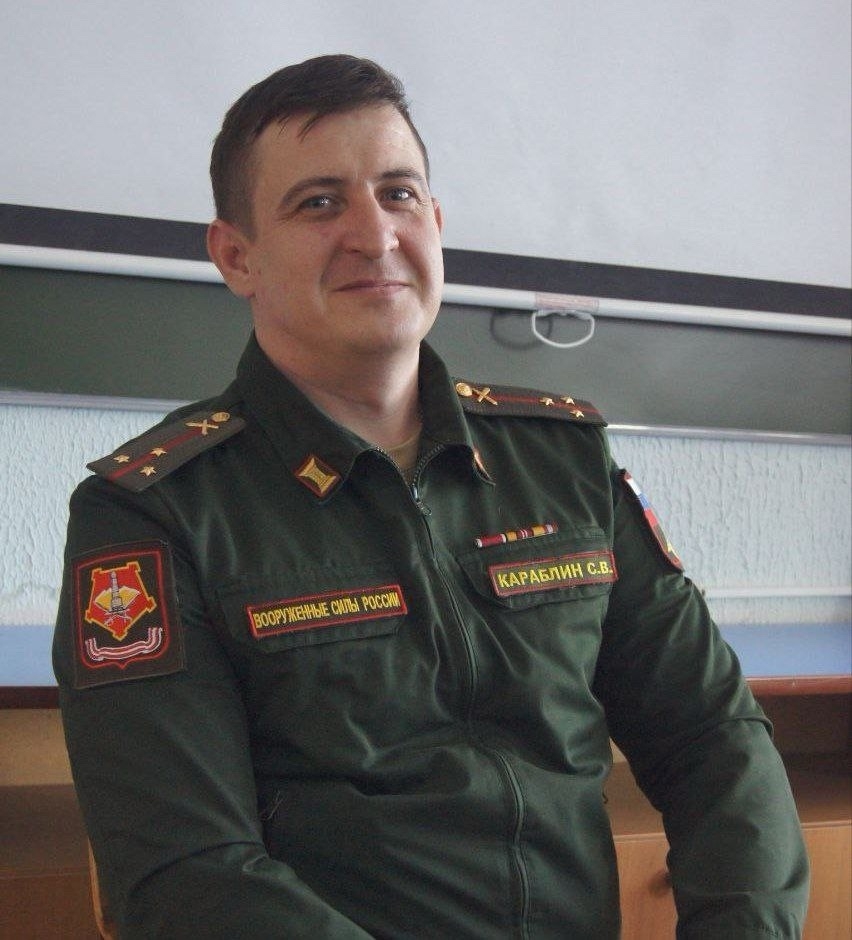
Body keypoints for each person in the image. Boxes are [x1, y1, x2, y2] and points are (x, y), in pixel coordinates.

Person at [53, 54, 809, 938]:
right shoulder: (155, 511)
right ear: (236, 256)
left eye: (399, 194)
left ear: (437, 224)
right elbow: (185, 872)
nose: (375, 235)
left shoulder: (561, 462)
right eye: (319, 203)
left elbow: (712, 737)